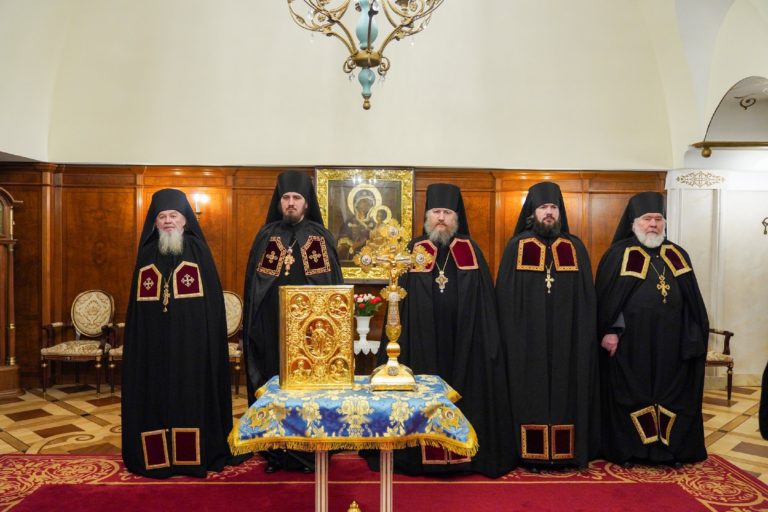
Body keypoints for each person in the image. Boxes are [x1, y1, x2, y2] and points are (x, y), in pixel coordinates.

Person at [369, 183, 515, 478]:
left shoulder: (471, 250)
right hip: (422, 340)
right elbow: (400, 302)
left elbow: (485, 304)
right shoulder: (413, 251)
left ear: (455, 218)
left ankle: (464, 453)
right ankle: (419, 457)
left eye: (447, 213)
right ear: (427, 216)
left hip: (466, 341)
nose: (441, 218)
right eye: (436, 212)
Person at [121, 188, 242, 478]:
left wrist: (206, 344)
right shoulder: (146, 254)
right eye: (162, 216)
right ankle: (157, 458)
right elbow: (137, 312)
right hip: (154, 349)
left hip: (192, 348)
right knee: (155, 398)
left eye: (173, 215)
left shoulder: (199, 252)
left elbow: (211, 308)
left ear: (185, 219)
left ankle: (193, 457)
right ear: (154, 222)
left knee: (191, 397)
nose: (168, 221)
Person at [596, 191, 709, 465]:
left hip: (672, 343)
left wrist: (693, 336)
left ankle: (669, 449)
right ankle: (632, 450)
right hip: (631, 344)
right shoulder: (619, 254)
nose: (653, 225)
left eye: (658, 219)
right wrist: (610, 330)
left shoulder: (677, 254)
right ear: (635, 222)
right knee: (632, 393)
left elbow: (693, 301)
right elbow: (607, 301)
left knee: (672, 393)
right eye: (647, 219)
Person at [242, 170, 343, 472]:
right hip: (271, 330)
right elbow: (255, 289)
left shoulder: (319, 237)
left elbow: (330, 289)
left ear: (306, 203)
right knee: (273, 384)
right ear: (279, 201)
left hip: (311, 335)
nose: (290, 203)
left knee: (308, 389)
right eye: (286, 197)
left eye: (296, 198)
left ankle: (310, 452)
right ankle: (276, 452)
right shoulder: (267, 236)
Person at [496, 181, 599, 470]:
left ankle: (567, 452)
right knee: (529, 392)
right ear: (533, 212)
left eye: (554, 207)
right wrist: (509, 338)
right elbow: (504, 298)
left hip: (568, 340)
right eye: (543, 207)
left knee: (568, 391)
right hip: (526, 341)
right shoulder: (517, 247)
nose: (549, 212)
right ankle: (531, 454)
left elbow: (587, 298)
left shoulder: (574, 247)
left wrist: (584, 336)